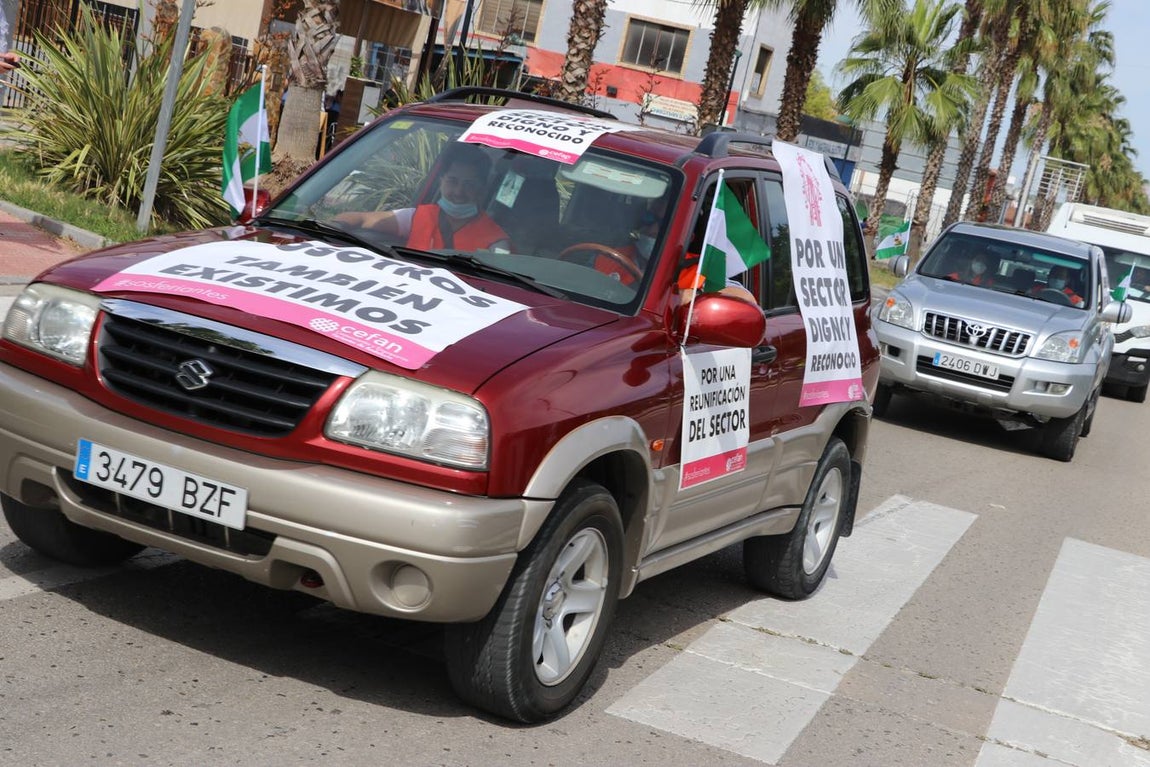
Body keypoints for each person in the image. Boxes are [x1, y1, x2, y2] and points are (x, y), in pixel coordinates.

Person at [335, 143, 510, 252]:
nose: (458, 191)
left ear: (481, 189)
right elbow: (361, 219)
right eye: (452, 181)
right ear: (441, 181)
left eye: (469, 185)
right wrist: (332, 226)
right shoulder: (417, 217)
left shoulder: (496, 242)